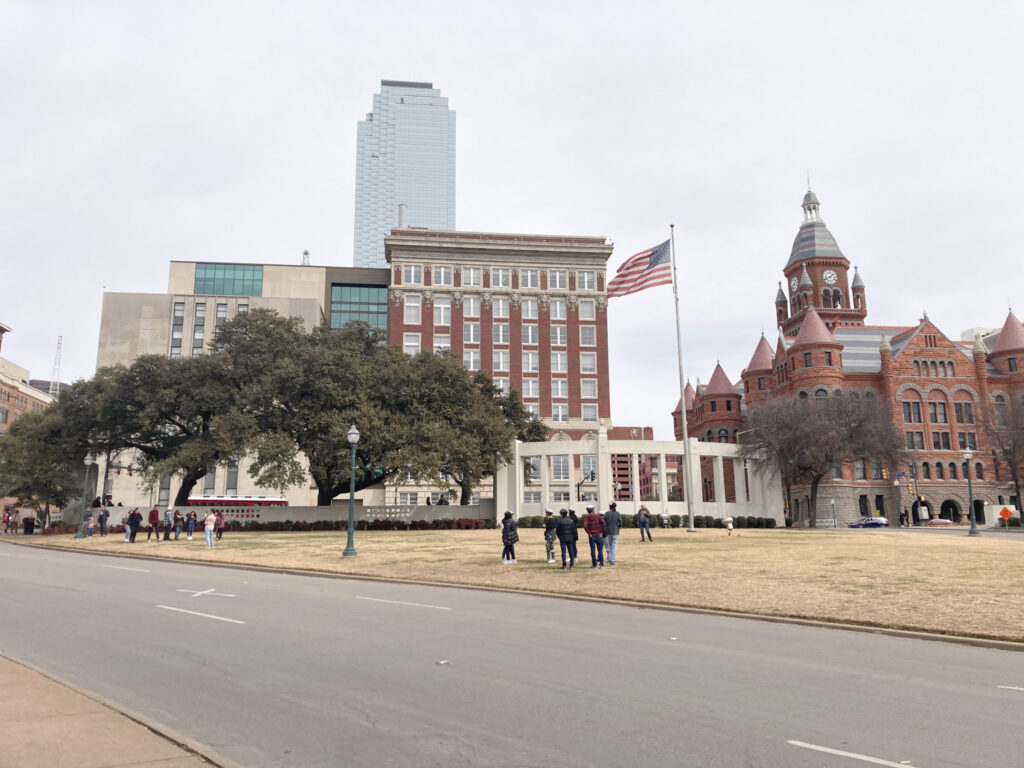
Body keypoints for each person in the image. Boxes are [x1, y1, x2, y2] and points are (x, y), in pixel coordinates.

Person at [603, 501, 622, 565]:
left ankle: (610, 558)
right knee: (614, 546)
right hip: (615, 531)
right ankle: (613, 560)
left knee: (610, 546)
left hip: (608, 532)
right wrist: (618, 528)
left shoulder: (606, 514)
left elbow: (604, 523)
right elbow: (620, 522)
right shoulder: (617, 513)